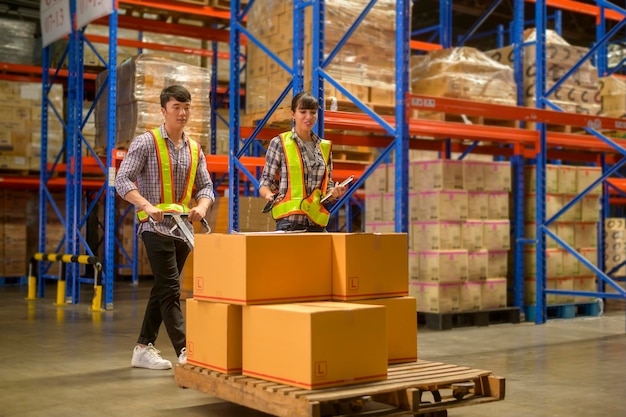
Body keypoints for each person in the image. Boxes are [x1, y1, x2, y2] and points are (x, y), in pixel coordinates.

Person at [115, 85, 214, 370]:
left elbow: (206, 185)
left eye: (186, 108)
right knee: (171, 288)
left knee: (161, 289)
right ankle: (186, 349)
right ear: (163, 111)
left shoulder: (195, 149)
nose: (182, 113)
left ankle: (143, 348)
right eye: (176, 108)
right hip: (154, 228)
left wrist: (203, 206)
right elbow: (123, 180)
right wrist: (145, 205)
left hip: (183, 231)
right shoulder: (146, 143)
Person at [259, 91, 347, 232]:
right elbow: (265, 181)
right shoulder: (280, 143)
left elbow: (326, 187)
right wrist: (268, 194)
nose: (308, 117)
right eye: (303, 112)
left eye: (313, 112)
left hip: (317, 223)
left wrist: (334, 193)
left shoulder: (324, 147)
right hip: (290, 224)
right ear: (293, 114)